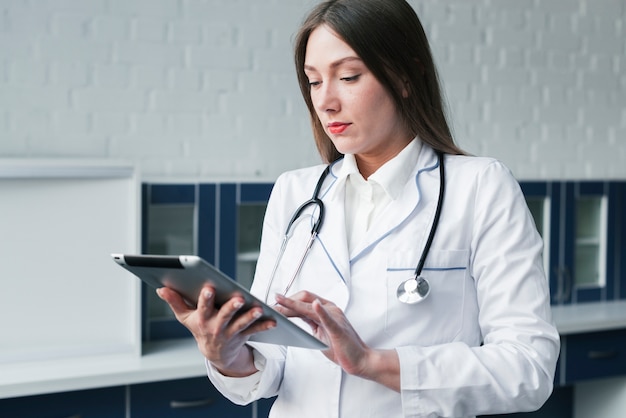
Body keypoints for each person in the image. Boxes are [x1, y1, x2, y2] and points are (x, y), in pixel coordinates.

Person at [157, 0, 560, 416]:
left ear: (405, 76)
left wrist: (372, 362)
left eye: (348, 76)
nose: (326, 102)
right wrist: (226, 353)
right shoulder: (294, 194)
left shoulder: (479, 187)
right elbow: (269, 364)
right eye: (313, 82)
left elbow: (528, 368)